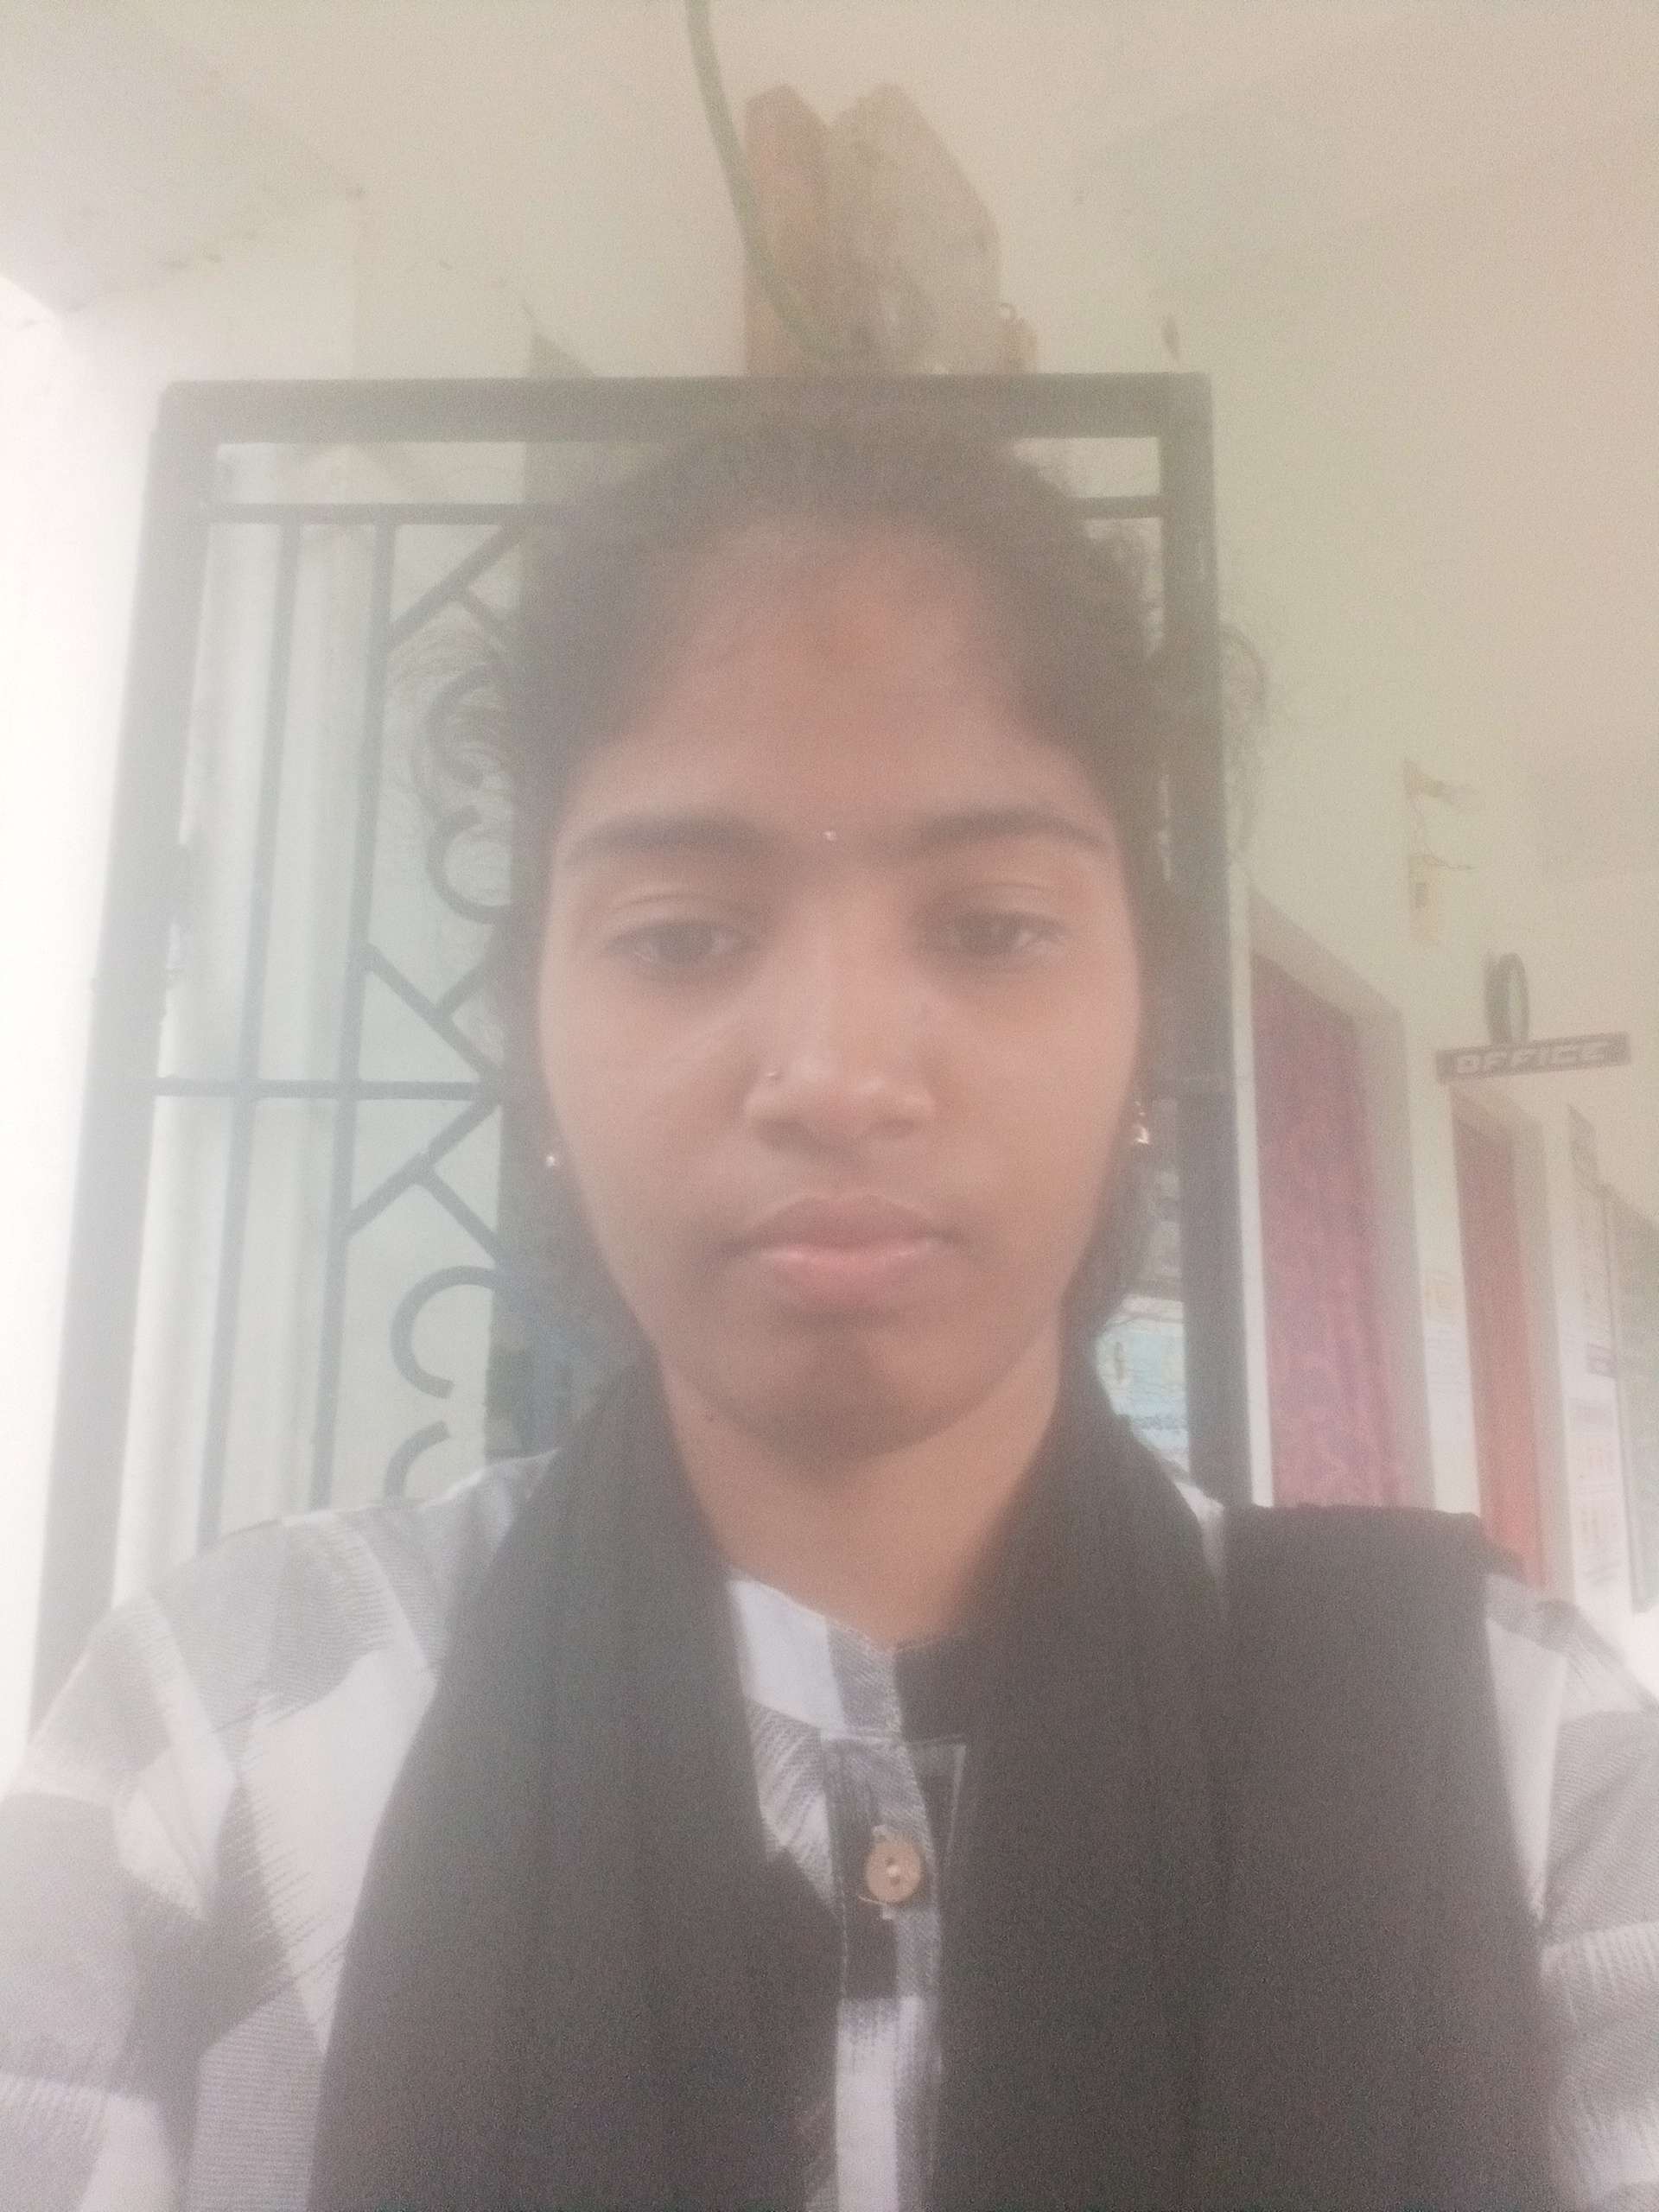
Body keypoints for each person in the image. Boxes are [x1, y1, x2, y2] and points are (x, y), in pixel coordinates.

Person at [1, 407, 1655, 2212]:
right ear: (532, 1036)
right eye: (684, 935)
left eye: (992, 926)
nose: (841, 1072)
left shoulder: (1521, 1762)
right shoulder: (226, 1730)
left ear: (1145, 1030)